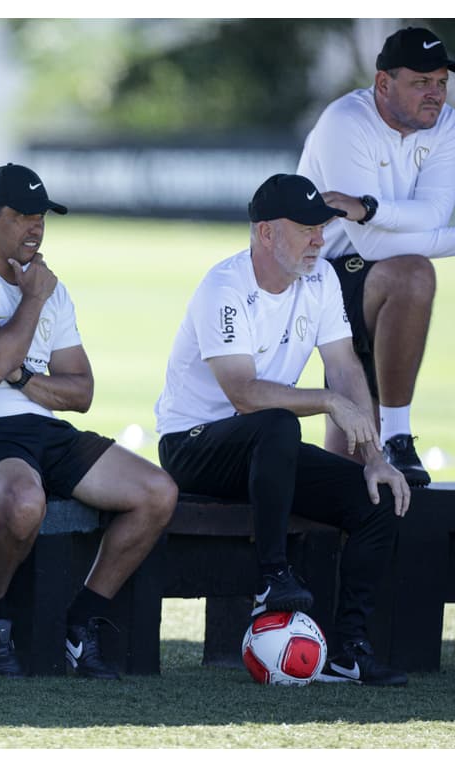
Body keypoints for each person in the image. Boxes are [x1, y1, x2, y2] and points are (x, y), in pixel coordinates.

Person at [0, 162, 177, 679]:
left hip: (40, 428)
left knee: (157, 492)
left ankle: (82, 622)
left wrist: (22, 379)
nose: (36, 227)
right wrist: (32, 300)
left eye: (42, 217)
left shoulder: (52, 287)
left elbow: (80, 391)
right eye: (24, 216)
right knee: (23, 500)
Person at [154, 173, 412, 686]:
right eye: (306, 229)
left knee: (374, 500)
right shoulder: (224, 288)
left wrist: (377, 459)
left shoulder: (322, 279)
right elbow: (244, 394)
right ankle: (272, 578)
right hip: (193, 446)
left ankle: (350, 652)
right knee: (275, 423)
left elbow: (342, 366)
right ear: (265, 233)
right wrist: (327, 402)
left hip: (267, 448)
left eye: (322, 228)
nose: (320, 239)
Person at [296, 25, 455, 487]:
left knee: (349, 468)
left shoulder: (446, 124)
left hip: (360, 280)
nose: (435, 94)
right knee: (413, 274)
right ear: (383, 83)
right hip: (311, 277)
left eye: (442, 82)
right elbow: (371, 246)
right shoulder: (346, 121)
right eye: (421, 82)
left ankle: (384, 449)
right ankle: (399, 436)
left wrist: (370, 209)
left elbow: (437, 210)